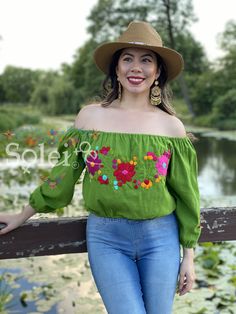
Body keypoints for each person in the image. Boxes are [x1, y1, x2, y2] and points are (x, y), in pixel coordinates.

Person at [0, 21, 201, 314]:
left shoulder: (171, 128)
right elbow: (62, 177)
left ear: (157, 73)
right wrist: (22, 215)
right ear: (116, 69)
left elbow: (187, 195)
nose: (136, 68)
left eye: (146, 60)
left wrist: (189, 255)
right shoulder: (90, 119)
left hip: (161, 238)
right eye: (127, 58)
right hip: (107, 239)